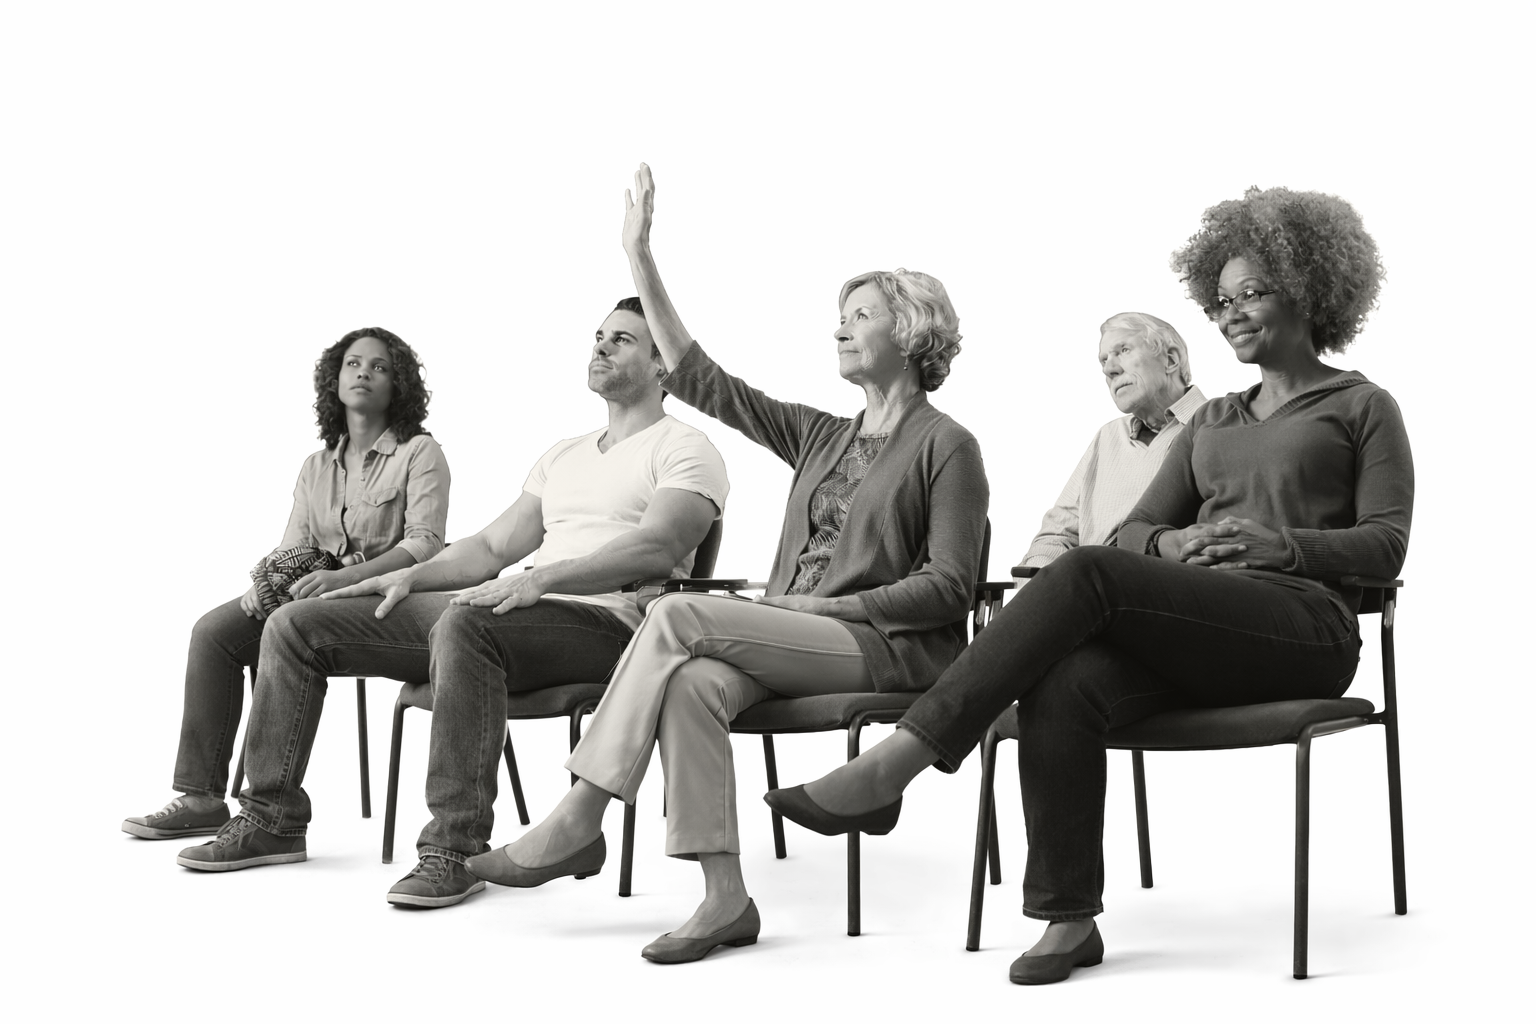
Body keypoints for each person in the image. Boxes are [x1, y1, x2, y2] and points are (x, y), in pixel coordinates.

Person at [769, 186, 1414, 985]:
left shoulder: (1360, 406)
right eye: (1223, 298)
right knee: (1066, 678)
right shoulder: (1215, 424)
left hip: (1304, 633)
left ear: (1311, 290)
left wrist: (1280, 545)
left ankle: (898, 761)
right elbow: (1140, 531)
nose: (1234, 312)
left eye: (1254, 292)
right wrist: (1175, 539)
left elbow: (1386, 546)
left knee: (1088, 574)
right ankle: (1069, 920)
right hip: (1204, 632)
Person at [465, 164, 989, 963]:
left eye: (861, 316)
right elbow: (703, 381)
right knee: (691, 681)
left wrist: (827, 609)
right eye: (839, 317)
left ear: (913, 333)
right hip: (790, 635)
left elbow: (951, 586)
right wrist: (639, 255)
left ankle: (578, 818)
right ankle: (724, 900)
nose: (840, 329)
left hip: (885, 649)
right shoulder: (823, 435)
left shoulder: (948, 446)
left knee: (675, 612)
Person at [171, 297, 729, 905]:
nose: (599, 346)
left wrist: (539, 579)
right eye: (598, 335)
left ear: (663, 367)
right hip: (507, 611)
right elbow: (492, 545)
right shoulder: (564, 453)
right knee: (296, 624)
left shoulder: (686, 448)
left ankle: (452, 849)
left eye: (621, 340)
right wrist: (414, 577)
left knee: (466, 623)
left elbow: (658, 546)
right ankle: (271, 819)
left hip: (612, 626)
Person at [123, 329, 449, 840]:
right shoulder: (316, 466)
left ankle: (270, 812)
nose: (363, 372)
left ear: (399, 385)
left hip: (382, 605)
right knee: (214, 633)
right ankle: (202, 796)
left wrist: (347, 576)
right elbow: (291, 544)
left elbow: (426, 544)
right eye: (352, 364)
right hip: (309, 597)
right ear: (334, 380)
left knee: (291, 624)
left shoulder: (420, 453)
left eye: (379, 367)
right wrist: (263, 579)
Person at [1020, 312, 1205, 568]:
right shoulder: (1108, 437)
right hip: (1084, 591)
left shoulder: (1220, 426)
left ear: (1170, 359)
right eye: (1104, 360)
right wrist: (1038, 583)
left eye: (1124, 350)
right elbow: (1057, 534)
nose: (1110, 369)